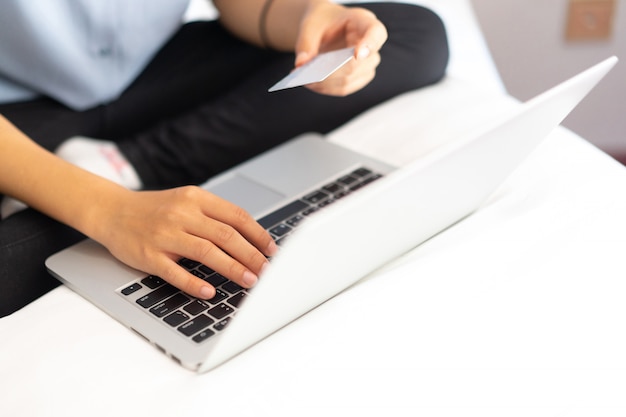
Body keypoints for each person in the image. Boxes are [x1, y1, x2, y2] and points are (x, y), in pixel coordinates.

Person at [0, 0, 449, 317]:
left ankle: (130, 163)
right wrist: (107, 209)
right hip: (19, 113)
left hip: (158, 68)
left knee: (415, 34)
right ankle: (96, 182)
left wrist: (309, 16)